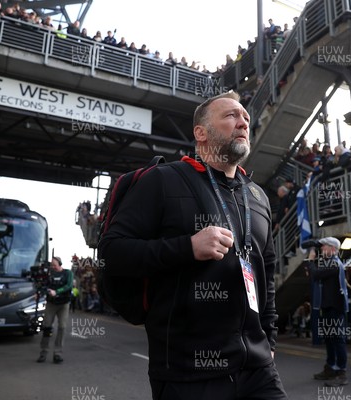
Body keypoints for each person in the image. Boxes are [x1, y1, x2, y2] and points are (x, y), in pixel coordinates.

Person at [99, 92, 288, 400]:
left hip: (259, 370)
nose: (242, 122)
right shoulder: (163, 181)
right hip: (187, 374)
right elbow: (112, 253)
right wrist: (187, 247)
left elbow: (265, 275)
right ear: (201, 132)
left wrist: (270, 341)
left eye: (246, 118)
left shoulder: (258, 197)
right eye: (230, 116)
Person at [303, 237, 349, 386]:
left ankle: (341, 372)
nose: (321, 249)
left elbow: (316, 274)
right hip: (328, 307)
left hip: (335, 308)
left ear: (333, 249)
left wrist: (310, 261)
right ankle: (330, 368)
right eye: (321, 247)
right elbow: (316, 275)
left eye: (324, 247)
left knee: (337, 339)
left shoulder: (335, 264)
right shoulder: (329, 263)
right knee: (330, 339)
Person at [37, 256, 73, 364]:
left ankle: (58, 353)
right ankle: (43, 352)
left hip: (63, 304)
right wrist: (40, 292)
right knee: (46, 327)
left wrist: (57, 292)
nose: (53, 267)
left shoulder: (68, 273)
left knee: (62, 327)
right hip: (51, 303)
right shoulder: (49, 274)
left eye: (54, 265)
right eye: (51, 265)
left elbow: (69, 285)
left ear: (60, 263)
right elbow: (43, 285)